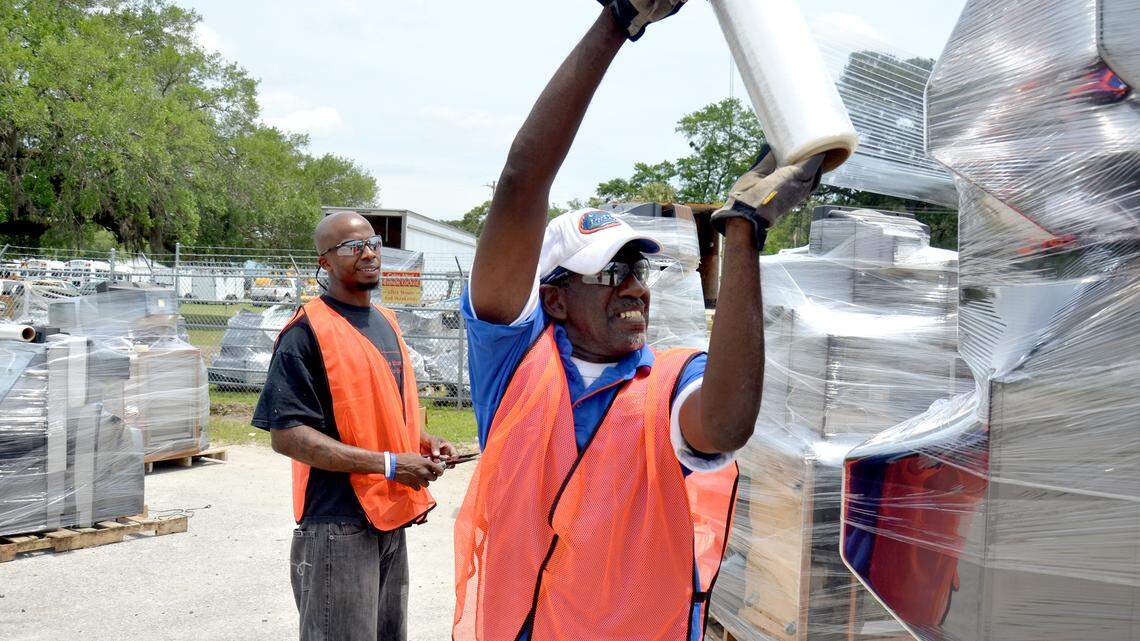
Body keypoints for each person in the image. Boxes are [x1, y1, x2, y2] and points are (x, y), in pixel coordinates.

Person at [451, 2, 824, 641]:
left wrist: (743, 232)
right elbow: (520, 184)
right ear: (556, 298)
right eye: (609, 272)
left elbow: (727, 423)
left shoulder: (672, 381)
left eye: (638, 271)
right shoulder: (514, 369)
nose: (632, 288)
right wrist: (618, 20)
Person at [253, 211, 457, 641]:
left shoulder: (386, 322)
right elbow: (287, 434)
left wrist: (422, 442)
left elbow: (381, 409)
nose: (368, 254)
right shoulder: (305, 332)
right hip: (336, 525)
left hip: (388, 517)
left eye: (373, 244)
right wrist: (387, 464)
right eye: (352, 247)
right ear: (324, 263)